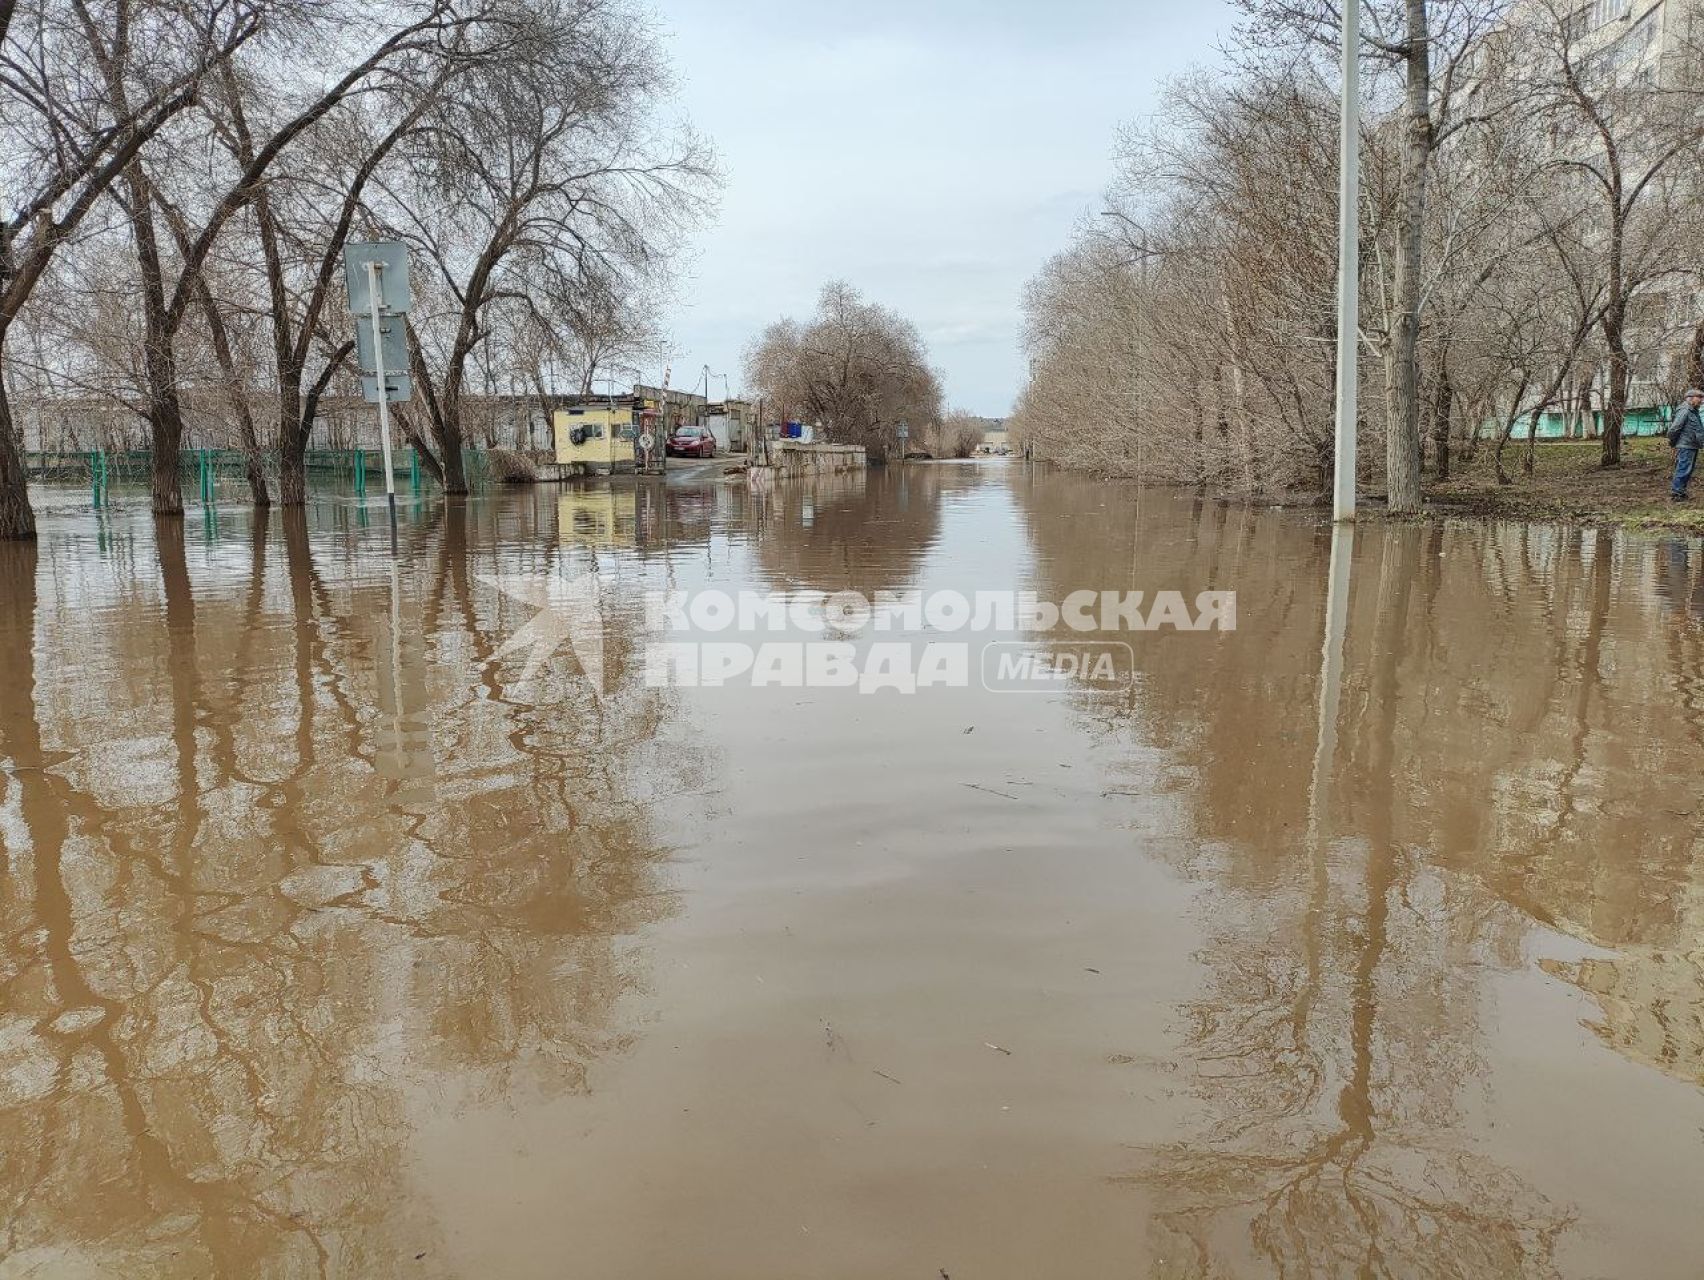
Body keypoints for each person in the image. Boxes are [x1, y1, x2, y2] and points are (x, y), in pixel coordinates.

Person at [1669, 389, 1704, 502]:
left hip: (1692, 445)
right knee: (1683, 469)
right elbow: (1675, 428)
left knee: (1687, 469)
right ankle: (1677, 493)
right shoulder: (1685, 410)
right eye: (1699, 398)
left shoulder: (1693, 411)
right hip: (1686, 445)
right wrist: (1673, 442)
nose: (1701, 401)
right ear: (1690, 398)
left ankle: (1681, 491)